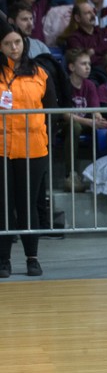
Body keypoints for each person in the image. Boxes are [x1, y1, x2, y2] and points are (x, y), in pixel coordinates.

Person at [0, 22, 55, 278]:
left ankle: (32, 258)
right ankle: (3, 260)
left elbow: (53, 111)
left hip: (33, 149)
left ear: (25, 43)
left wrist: (47, 140)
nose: (14, 48)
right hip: (1, 150)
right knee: (3, 206)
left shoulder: (40, 73)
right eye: (8, 44)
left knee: (27, 205)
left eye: (17, 43)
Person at [64, 48, 107, 191]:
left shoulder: (89, 85)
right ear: (71, 67)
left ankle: (104, 171)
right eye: (83, 64)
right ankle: (71, 174)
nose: (88, 67)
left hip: (86, 122)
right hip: (66, 124)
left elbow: (95, 109)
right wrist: (90, 122)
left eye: (89, 63)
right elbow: (65, 114)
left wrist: (99, 120)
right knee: (75, 127)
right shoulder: (65, 84)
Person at [65, 0, 107, 74]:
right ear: (78, 18)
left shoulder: (105, 32)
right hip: (94, 75)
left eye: (93, 12)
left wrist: (94, 51)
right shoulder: (74, 39)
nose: (93, 15)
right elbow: (84, 62)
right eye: (88, 13)